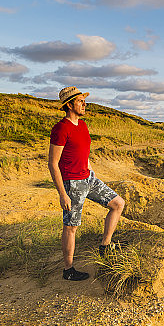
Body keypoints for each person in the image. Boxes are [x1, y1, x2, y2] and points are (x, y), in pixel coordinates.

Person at [48, 86, 125, 281]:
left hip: (88, 178)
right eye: (80, 101)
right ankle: (68, 270)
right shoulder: (61, 129)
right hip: (72, 183)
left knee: (118, 204)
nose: (84, 104)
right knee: (71, 226)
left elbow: (83, 150)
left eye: (84, 100)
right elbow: (53, 163)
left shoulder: (82, 125)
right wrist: (62, 194)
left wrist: (90, 169)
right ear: (69, 105)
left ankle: (105, 246)